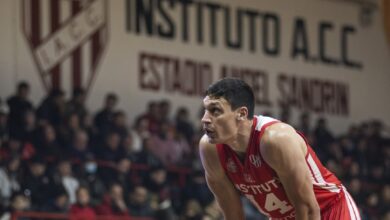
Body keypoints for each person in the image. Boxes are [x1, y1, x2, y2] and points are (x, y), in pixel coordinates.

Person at [199, 78, 360, 220]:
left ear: (241, 113)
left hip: (330, 210)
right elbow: (233, 216)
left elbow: (309, 209)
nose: (205, 119)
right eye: (206, 110)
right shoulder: (210, 149)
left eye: (215, 110)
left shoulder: (276, 140)